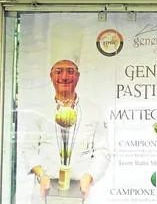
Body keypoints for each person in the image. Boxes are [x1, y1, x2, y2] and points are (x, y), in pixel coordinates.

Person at [20, 58, 110, 203]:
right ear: (51, 76)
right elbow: (28, 147)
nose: (64, 77)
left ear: (78, 77)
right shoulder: (39, 111)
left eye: (70, 71)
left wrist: (89, 178)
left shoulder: (93, 111)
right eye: (58, 71)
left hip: (81, 188)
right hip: (46, 188)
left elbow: (102, 151)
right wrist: (42, 175)